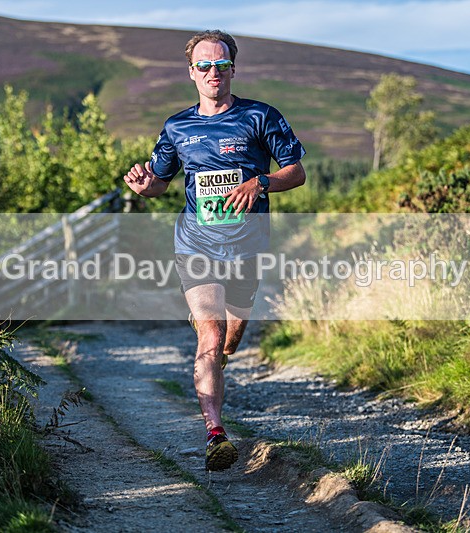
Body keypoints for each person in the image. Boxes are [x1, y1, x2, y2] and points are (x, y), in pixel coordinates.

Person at [123, 29, 306, 471]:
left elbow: (296, 172)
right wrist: (148, 187)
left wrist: (261, 181)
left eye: (220, 65)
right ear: (191, 72)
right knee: (211, 335)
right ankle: (216, 435)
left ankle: (219, 360)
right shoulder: (177, 126)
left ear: (232, 69)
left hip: (247, 247)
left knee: (231, 338)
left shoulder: (261, 117)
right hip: (196, 245)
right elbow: (161, 182)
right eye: (203, 65)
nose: (212, 73)